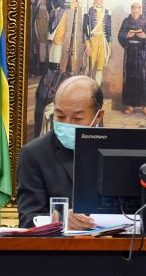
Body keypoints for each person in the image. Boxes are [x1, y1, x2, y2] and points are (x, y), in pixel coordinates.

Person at [17, 75, 103, 229]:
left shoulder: (121, 149)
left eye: (77, 118)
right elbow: (28, 219)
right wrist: (60, 220)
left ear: (99, 116)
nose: (67, 123)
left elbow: (144, 212)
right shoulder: (34, 154)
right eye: (60, 116)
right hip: (62, 243)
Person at [117, 2, 146, 117]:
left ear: (140, 11)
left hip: (141, 53)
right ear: (131, 10)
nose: (135, 14)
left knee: (142, 79)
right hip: (130, 52)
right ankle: (130, 105)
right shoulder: (126, 21)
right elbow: (120, 35)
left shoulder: (145, 21)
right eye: (133, 12)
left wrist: (144, 37)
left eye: (137, 12)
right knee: (129, 78)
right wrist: (126, 35)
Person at [46, 0, 78, 71]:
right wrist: (71, 4)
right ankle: (55, 67)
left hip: (58, 15)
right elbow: (60, 2)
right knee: (57, 42)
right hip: (58, 16)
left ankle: (53, 66)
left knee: (56, 42)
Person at [82, 0, 112, 86]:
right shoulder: (88, 11)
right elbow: (85, 30)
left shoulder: (107, 12)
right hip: (92, 41)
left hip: (103, 42)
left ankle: (97, 88)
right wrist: (88, 45)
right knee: (90, 66)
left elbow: (108, 30)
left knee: (100, 66)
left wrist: (109, 44)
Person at [30, 0, 53, 75]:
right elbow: (34, 2)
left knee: (52, 42)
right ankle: (42, 67)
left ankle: (51, 67)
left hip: (51, 18)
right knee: (42, 42)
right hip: (40, 18)